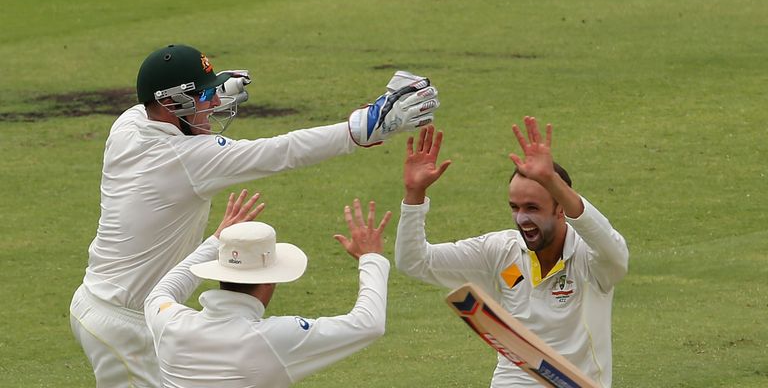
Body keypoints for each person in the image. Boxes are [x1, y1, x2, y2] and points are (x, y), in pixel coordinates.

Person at [69, 43, 439, 387]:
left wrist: (209, 92)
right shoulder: (188, 158)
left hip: (109, 301)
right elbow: (280, 152)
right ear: (172, 103)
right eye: (205, 96)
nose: (215, 103)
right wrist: (362, 128)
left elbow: (160, 103)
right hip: (125, 324)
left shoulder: (129, 123)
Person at [395, 117, 629, 387]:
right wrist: (414, 195)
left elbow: (614, 250)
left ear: (560, 209)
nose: (521, 218)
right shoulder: (500, 251)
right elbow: (414, 262)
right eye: (515, 207)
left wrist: (553, 182)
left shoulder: (591, 259)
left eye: (532, 208)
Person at [144, 197, 391, 387]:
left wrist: (217, 241)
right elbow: (369, 324)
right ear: (270, 281)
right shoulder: (276, 337)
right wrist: (371, 258)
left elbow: (160, 292)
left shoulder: (169, 322)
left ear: (220, 272)